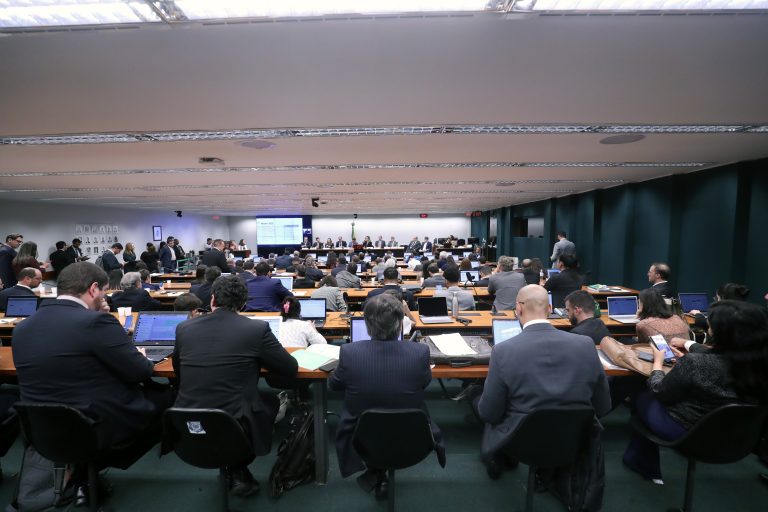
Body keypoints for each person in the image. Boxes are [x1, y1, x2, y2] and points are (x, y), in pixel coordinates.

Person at [12, 262, 173, 495]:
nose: (105, 297)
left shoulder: (23, 328)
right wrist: (130, 347)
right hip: (93, 424)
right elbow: (140, 371)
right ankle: (92, 470)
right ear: (94, 289)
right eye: (105, 292)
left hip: (41, 425)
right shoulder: (96, 322)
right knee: (168, 397)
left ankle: (81, 472)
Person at [173, 276, 298, 496]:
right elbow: (290, 368)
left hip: (186, 420)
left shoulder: (184, 328)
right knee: (269, 400)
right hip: (233, 422)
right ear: (243, 304)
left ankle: (235, 468)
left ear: (212, 300)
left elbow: (178, 371)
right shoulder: (256, 329)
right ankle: (238, 466)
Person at [623, 300, 768, 483]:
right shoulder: (758, 364)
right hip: (740, 439)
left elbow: (659, 391)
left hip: (690, 434)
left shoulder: (695, 363)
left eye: (711, 326)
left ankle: (645, 463)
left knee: (641, 392)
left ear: (722, 334)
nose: (709, 328)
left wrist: (658, 363)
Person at [474, 285, 610, 477]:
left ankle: (501, 460)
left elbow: (489, 414)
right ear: (549, 309)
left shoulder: (503, 351)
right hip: (575, 441)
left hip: (521, 443)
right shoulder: (586, 345)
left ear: (518, 309)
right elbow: (603, 406)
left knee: (478, 398)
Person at [329, 293, 445, 497]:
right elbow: (424, 383)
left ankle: (376, 470)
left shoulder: (349, 352)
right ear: (401, 323)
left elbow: (334, 386)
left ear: (366, 325)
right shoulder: (420, 352)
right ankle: (378, 470)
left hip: (360, 435)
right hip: (413, 433)